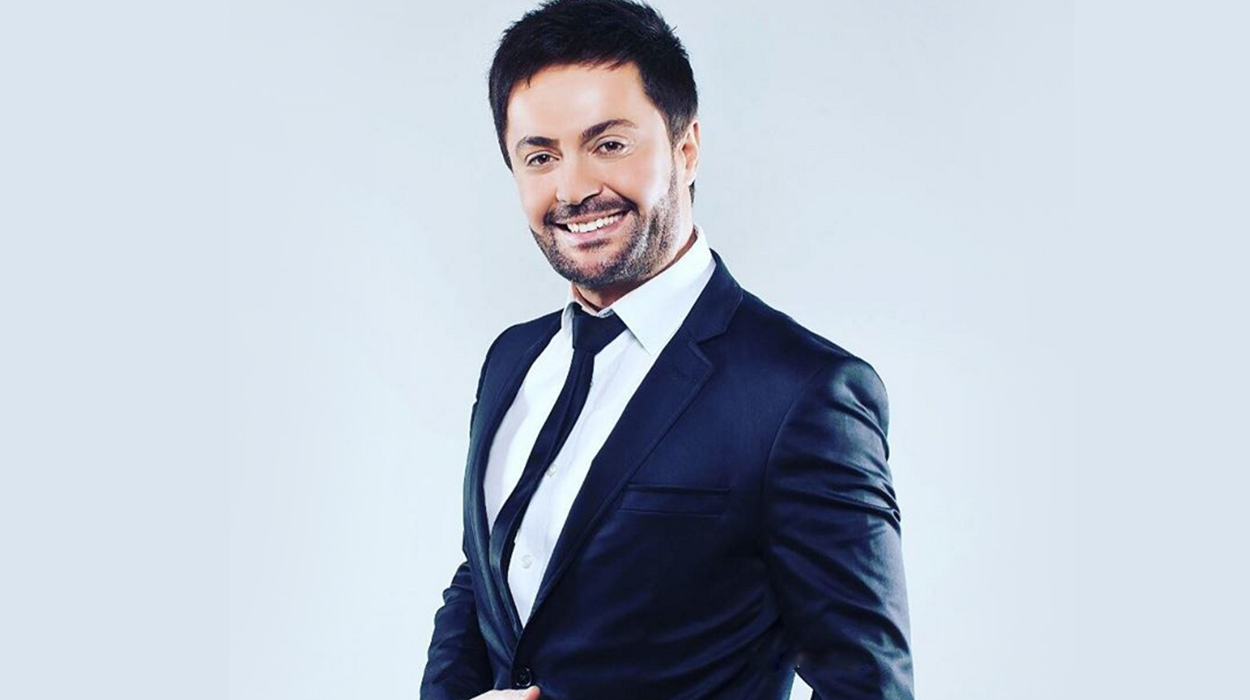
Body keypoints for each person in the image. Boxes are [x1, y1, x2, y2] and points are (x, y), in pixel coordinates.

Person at [420, 1, 913, 699]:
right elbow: (486, 579)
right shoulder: (513, 359)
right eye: (540, 156)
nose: (574, 188)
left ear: (686, 149)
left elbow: (868, 688)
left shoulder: (802, 394)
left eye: (609, 144)